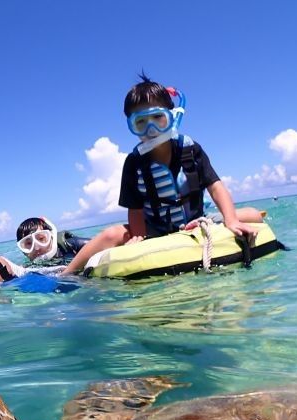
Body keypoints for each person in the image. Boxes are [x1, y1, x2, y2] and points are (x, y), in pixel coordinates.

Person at [61, 74, 263, 275]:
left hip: (196, 220)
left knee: (252, 214)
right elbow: (135, 208)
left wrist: (231, 220)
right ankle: (67, 273)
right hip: (154, 228)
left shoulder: (190, 150)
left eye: (158, 117)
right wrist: (139, 237)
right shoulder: (134, 163)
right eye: (141, 122)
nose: (151, 128)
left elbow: (216, 187)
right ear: (131, 126)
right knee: (112, 233)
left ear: (171, 116)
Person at [15, 216, 90, 266]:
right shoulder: (29, 268)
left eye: (41, 239)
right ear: (23, 250)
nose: (37, 248)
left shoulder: (69, 245)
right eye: (28, 243)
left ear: (51, 236)